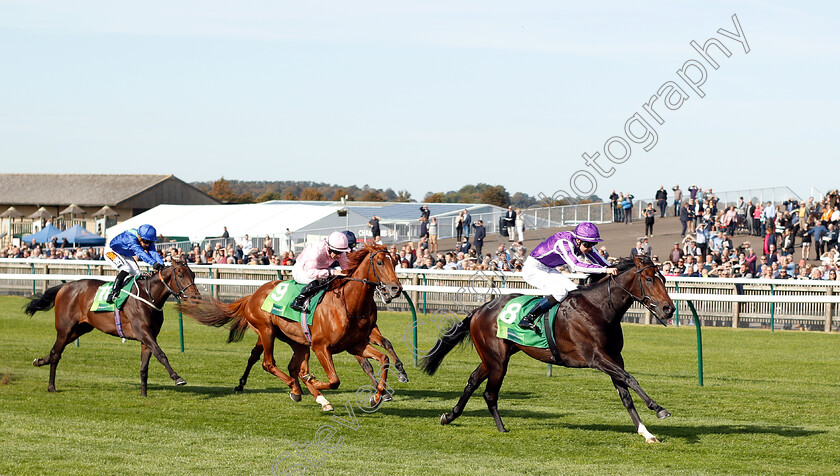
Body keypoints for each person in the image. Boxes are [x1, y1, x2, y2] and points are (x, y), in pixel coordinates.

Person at [518, 222, 617, 331]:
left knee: (575, 291)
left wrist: (616, 269)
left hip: (549, 268)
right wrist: (604, 270)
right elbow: (576, 266)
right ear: (578, 240)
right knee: (560, 292)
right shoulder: (564, 243)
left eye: (593, 244)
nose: (590, 248)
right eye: (588, 245)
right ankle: (528, 318)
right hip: (533, 269)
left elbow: (603, 262)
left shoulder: (583, 243)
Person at [290, 231, 351, 312]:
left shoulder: (337, 249)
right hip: (303, 271)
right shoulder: (317, 250)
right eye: (337, 252)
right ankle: (299, 299)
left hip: (321, 269)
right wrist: (331, 273)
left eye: (341, 252)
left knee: (339, 272)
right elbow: (310, 272)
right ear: (328, 248)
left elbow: (346, 267)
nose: (339, 255)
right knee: (322, 279)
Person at [104, 224, 166, 303]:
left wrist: (161, 264)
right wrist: (154, 264)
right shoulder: (131, 238)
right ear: (139, 236)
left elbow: (153, 252)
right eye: (146, 241)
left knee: (138, 274)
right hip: (111, 251)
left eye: (150, 242)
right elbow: (140, 253)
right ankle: (113, 293)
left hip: (124, 254)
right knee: (126, 268)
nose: (147, 244)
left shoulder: (145, 238)